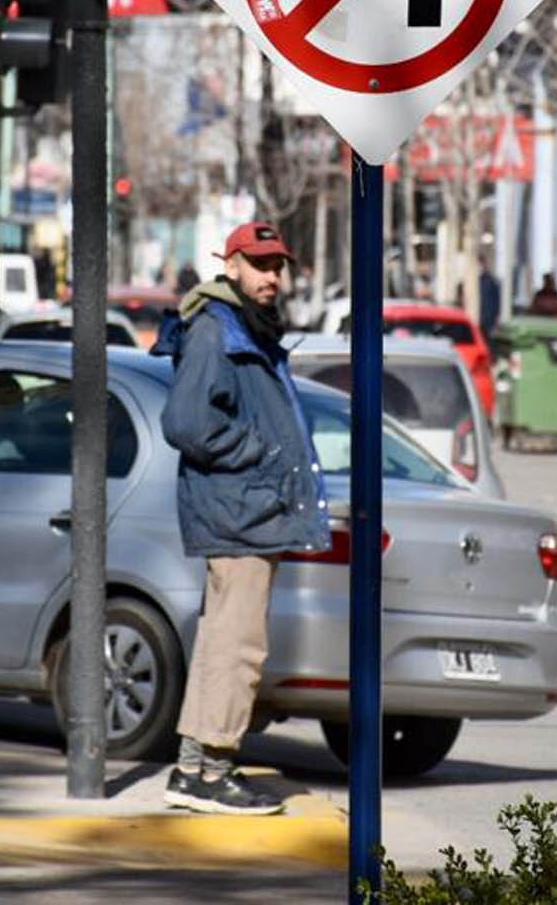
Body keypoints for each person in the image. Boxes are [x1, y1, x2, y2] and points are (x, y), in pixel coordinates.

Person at [153, 221, 329, 816]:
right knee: (240, 646)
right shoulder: (217, 330)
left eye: (278, 265)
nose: (272, 276)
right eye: (259, 264)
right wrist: (260, 453)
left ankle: (193, 768)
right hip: (241, 511)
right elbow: (186, 424)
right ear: (230, 265)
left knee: (221, 640)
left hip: (246, 509)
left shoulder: (243, 328)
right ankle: (215, 770)